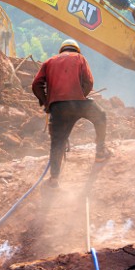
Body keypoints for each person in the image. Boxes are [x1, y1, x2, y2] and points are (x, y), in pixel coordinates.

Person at [31, 39, 110, 187]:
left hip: (58, 108)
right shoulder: (80, 58)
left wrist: (47, 103)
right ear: (76, 50)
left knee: (57, 142)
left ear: (62, 50)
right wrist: (81, 95)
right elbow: (89, 81)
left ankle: (54, 179)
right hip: (80, 104)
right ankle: (100, 152)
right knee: (101, 116)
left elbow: (36, 85)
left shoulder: (49, 62)